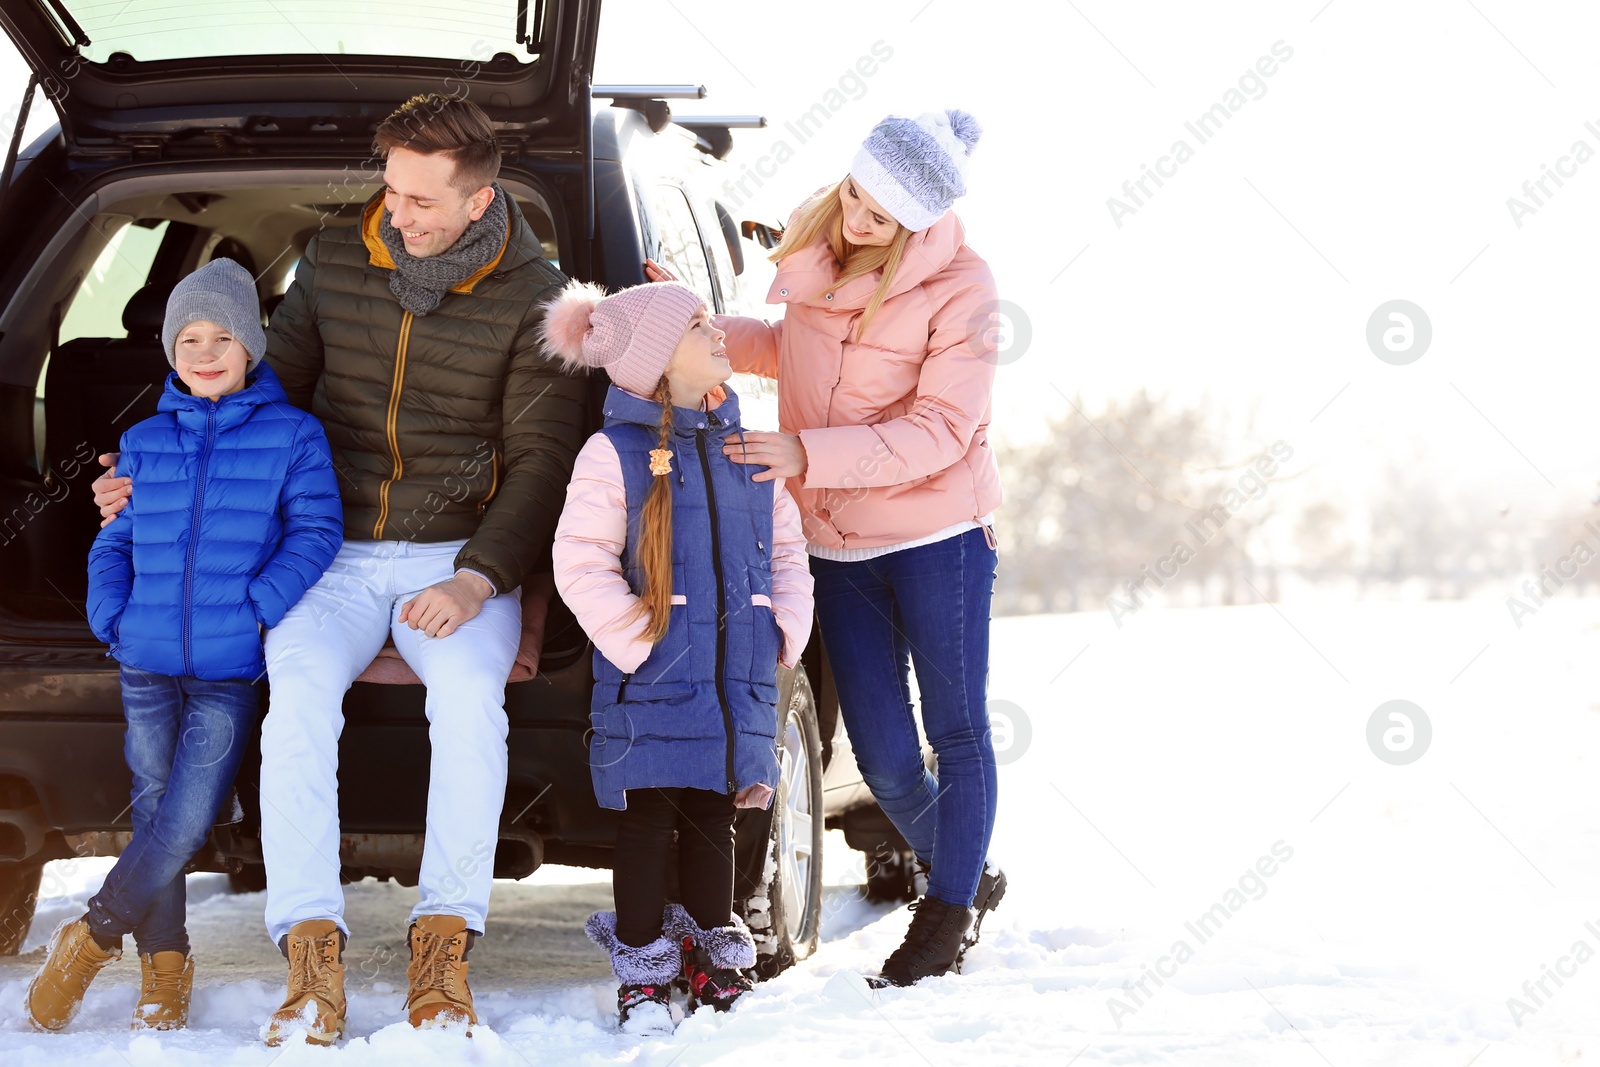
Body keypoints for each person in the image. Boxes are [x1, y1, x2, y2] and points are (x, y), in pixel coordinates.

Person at [93, 95, 588, 1044]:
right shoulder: (334, 259)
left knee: (469, 704)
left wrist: (480, 578)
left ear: (480, 200)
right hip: (332, 546)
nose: (397, 213)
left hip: (457, 556)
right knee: (300, 697)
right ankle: (309, 956)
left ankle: (442, 953)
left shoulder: (539, 300)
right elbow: (264, 398)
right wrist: (153, 482)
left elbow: (541, 460)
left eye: (421, 201)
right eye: (392, 190)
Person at [648, 109, 1007, 987]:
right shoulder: (822, 252)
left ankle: (946, 913)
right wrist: (685, 324)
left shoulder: (965, 287)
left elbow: (945, 426)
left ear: (920, 220)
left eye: (883, 212)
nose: (859, 216)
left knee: (954, 729)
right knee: (883, 758)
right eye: (855, 193)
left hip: (938, 536)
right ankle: (968, 866)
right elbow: (784, 349)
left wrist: (808, 453)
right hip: (837, 543)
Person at [27, 259, 343, 1033]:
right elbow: (115, 541)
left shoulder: (293, 436)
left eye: (224, 336)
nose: (206, 351)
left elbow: (316, 530)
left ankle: (92, 932)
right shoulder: (142, 440)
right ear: (171, 350)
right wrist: (112, 613)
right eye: (190, 338)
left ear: (252, 347)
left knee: (187, 816)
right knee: (154, 808)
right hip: (145, 661)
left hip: (228, 671)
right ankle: (164, 963)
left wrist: (258, 604)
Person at [545, 280, 813, 1033]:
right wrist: (635, 637)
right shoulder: (616, 452)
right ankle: (642, 972)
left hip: (735, 676)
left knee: (712, 817)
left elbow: (787, 548)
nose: (718, 328)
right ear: (658, 360)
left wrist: (781, 625)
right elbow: (580, 558)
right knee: (646, 819)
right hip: (653, 673)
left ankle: (711, 959)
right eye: (698, 324)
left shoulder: (743, 446)